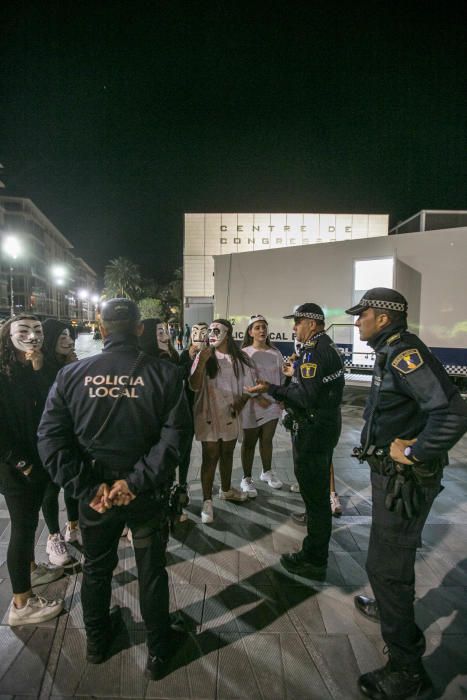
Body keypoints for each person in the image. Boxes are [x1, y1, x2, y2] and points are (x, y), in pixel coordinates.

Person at [37, 298, 191, 679]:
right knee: (151, 570)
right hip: (145, 493)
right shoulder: (165, 374)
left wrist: (88, 488)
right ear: (139, 328)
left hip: (96, 496)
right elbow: (176, 439)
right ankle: (157, 652)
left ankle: (96, 643)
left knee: (96, 568)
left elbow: (50, 440)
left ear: (100, 328)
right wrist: (135, 482)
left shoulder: (73, 375)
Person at [345, 288, 467, 700]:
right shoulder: (392, 351)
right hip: (391, 477)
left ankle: (406, 670)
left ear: (383, 317)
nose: (357, 320)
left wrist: (415, 451)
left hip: (405, 478)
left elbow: (453, 412)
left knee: (386, 565)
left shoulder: (403, 355)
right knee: (390, 554)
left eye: (362, 314)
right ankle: (388, 604)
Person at [246, 303, 344, 578]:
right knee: (315, 494)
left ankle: (313, 558)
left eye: (298, 322)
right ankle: (315, 542)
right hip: (324, 425)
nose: (294, 327)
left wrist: (271, 388)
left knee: (315, 497)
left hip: (313, 430)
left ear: (313, 324)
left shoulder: (314, 351)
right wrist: (294, 375)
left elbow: (305, 397)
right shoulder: (325, 347)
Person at [0, 315, 64, 626]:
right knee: (23, 527)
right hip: (14, 466)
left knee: (28, 521)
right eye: (23, 331)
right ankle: (21, 604)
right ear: (7, 336)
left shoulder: (32, 367)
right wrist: (21, 464)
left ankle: (29, 569)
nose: (32, 336)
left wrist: (40, 368)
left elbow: (50, 403)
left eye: (37, 331)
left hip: (36, 459)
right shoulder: (2, 372)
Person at [189, 319, 255, 523]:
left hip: (230, 415)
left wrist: (240, 403)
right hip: (207, 414)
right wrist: (200, 361)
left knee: (227, 453)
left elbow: (249, 388)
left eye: (216, 330)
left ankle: (226, 489)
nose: (212, 333)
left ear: (228, 333)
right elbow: (193, 385)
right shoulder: (204, 355)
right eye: (209, 330)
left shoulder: (241, 358)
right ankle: (207, 501)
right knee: (210, 456)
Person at [41, 319, 81, 564]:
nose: (68, 340)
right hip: (48, 435)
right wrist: (66, 370)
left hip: (72, 432)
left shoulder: (73, 363)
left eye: (69, 336)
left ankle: (73, 525)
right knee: (50, 487)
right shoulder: (40, 367)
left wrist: (74, 370)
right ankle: (54, 536)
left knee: (72, 482)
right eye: (62, 336)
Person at [239, 315, 283, 497]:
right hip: (250, 404)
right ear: (250, 332)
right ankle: (246, 479)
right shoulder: (244, 354)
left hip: (271, 404)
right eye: (257, 327)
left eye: (264, 327)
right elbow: (241, 381)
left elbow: (281, 378)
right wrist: (256, 397)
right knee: (249, 442)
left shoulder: (275, 353)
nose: (262, 330)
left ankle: (266, 472)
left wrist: (281, 398)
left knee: (267, 440)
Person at [177, 322, 209, 520]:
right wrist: (191, 357)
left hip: (208, 409)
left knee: (210, 450)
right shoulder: (183, 355)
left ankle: (209, 494)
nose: (198, 335)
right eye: (195, 332)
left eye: (203, 332)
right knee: (184, 450)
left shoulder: (211, 354)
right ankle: (182, 485)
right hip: (188, 409)